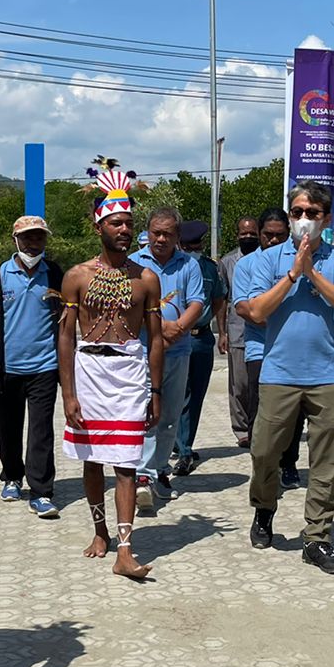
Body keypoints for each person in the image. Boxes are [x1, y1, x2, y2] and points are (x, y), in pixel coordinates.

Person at [239, 181, 334, 574]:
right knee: (263, 452)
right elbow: (257, 312)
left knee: (326, 463)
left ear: (325, 218)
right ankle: (264, 509)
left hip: (326, 375)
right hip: (279, 373)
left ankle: (317, 538)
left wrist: (313, 270)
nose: (303, 220)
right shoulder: (268, 259)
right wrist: (294, 273)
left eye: (312, 214)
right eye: (297, 213)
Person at [58, 158, 165, 580]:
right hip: (88, 373)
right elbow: (65, 337)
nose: (124, 229)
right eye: (116, 223)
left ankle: (125, 549)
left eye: (128, 222)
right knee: (91, 460)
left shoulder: (147, 279)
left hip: (128, 374)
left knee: (125, 461)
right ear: (99, 227)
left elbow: (156, 339)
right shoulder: (76, 277)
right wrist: (69, 394)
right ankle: (99, 531)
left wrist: (155, 391)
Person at [0, 215, 64, 518]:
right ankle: (12, 476)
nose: (33, 243)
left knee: (41, 431)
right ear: (16, 240)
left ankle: (41, 492)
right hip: (6, 369)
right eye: (28, 238)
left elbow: (65, 318)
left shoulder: (54, 274)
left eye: (39, 237)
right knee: (8, 428)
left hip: (44, 366)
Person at [130, 207, 204, 509]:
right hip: (143, 351)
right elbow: (129, 306)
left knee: (171, 415)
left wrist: (179, 328)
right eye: (156, 232)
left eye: (168, 234)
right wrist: (159, 328)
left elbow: (197, 301)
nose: (161, 239)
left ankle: (160, 469)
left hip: (179, 349)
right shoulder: (133, 263)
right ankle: (142, 475)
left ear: (177, 236)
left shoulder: (188, 265)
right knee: (148, 411)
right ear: (148, 232)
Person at [237, 208, 305, 487]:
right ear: (260, 234)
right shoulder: (247, 264)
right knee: (260, 411)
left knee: (295, 411)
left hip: (295, 351)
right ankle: (262, 465)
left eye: (280, 235)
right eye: (268, 235)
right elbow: (244, 308)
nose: (273, 241)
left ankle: (289, 463)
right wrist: (277, 324)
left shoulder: (300, 261)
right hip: (259, 349)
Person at [174, 219, 229, 476]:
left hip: (201, 338)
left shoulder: (209, 268)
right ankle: (179, 446)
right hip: (175, 338)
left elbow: (219, 299)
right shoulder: (175, 267)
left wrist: (218, 329)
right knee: (176, 395)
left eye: (196, 244)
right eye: (188, 244)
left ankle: (185, 447)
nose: (193, 248)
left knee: (195, 397)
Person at [218, 216, 260, 447]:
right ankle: (241, 428)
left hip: (264, 329)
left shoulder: (265, 258)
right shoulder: (227, 262)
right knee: (240, 385)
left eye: (252, 233)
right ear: (237, 235)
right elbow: (222, 299)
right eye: (243, 234)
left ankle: (259, 426)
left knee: (259, 383)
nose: (248, 237)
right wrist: (222, 332)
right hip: (238, 331)